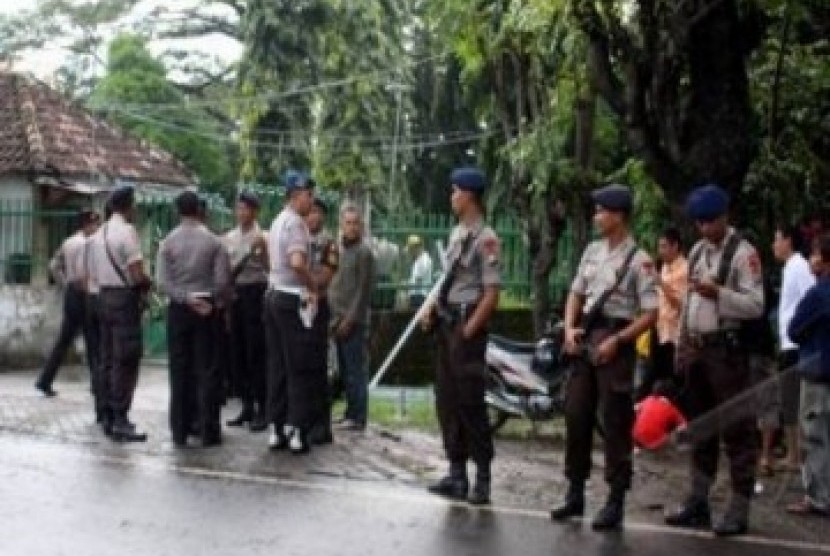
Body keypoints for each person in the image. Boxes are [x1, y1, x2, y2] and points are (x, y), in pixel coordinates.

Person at [550, 184, 658, 530]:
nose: (596, 217)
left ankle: (615, 500)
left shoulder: (639, 260)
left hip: (616, 343)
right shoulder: (592, 251)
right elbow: (575, 292)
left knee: (615, 422)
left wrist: (620, 340)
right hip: (585, 340)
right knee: (576, 414)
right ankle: (575, 492)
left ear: (619, 216)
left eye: (602, 211)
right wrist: (569, 329)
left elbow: (651, 313)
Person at [664, 185, 765, 537]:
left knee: (738, 431)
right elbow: (689, 306)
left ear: (725, 216)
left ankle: (738, 509)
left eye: (710, 222)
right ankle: (698, 501)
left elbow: (755, 305)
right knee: (700, 429)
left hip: (728, 352)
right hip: (697, 350)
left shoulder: (743, 254)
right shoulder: (696, 252)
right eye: (699, 223)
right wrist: (680, 346)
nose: (704, 229)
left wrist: (719, 294)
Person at [421, 167, 501, 506]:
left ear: (469, 195)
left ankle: (482, 475)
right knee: (448, 401)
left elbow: (491, 293)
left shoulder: (487, 238)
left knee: (471, 402)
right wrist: (432, 310)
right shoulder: (456, 234)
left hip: (467, 326)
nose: (451, 196)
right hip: (447, 324)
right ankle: (456, 473)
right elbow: (448, 281)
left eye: (455, 191)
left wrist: (470, 329)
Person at [156, 191, 230, 447]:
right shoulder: (214, 242)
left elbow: (163, 283)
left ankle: (179, 430)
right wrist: (204, 298)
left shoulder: (168, 243)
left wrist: (186, 298)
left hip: (179, 310)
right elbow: (222, 283)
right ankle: (209, 430)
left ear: (178, 212)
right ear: (199, 210)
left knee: (179, 371)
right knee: (207, 370)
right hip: (207, 310)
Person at [88, 186, 152, 442]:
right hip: (124, 300)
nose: (135, 209)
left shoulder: (98, 234)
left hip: (102, 296)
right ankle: (120, 418)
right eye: (134, 204)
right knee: (126, 359)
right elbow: (136, 273)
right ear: (127, 206)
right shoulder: (127, 232)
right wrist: (148, 283)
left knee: (107, 358)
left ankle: (105, 413)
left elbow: (92, 271)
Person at [264, 171, 318, 454]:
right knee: (298, 366)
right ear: (297, 195)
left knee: (277, 366)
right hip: (291, 297)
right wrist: (313, 285)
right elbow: (297, 262)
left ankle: (275, 427)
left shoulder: (276, 221)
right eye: (309, 195)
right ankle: (297, 429)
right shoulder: (296, 224)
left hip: (273, 295)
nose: (312, 201)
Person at [786, 233, 830, 516]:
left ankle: (819, 497)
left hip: (819, 371)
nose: (810, 259)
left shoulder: (818, 294)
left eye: (814, 254)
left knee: (816, 436)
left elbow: (794, 329)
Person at [35, 209, 101, 397]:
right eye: (94, 224)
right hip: (88, 292)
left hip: (72, 293)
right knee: (93, 340)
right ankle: (97, 385)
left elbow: (53, 266)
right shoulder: (92, 243)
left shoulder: (69, 242)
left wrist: (65, 284)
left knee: (63, 341)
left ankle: (44, 380)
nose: (96, 227)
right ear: (87, 224)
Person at [768, 224, 815, 473]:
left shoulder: (798, 266)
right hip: (790, 343)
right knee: (789, 401)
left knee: (793, 401)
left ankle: (796, 456)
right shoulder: (791, 267)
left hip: (795, 345)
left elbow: (810, 300)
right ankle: (794, 453)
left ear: (788, 241)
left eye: (777, 239)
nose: (774, 245)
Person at [224, 191, 270, 432]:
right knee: (238, 353)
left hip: (256, 292)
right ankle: (246, 405)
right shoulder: (229, 238)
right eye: (239, 208)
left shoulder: (262, 237)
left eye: (247, 209)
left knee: (256, 353)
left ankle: (263, 408)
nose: (242, 213)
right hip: (236, 295)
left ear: (255, 212)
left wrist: (260, 251)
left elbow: (268, 268)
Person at [329, 205, 375, 432]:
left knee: (356, 370)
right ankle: (350, 411)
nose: (352, 227)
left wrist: (350, 319)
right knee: (345, 370)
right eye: (348, 222)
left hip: (354, 321)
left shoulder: (364, 253)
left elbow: (363, 291)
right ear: (341, 225)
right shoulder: (338, 250)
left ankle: (358, 416)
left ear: (362, 226)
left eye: (356, 223)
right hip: (336, 318)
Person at [306, 198, 339, 444]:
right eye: (310, 212)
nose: (312, 217)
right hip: (300, 305)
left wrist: (302, 278)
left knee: (318, 366)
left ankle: (321, 424)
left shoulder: (329, 244)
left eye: (317, 212)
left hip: (319, 304)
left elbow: (325, 277)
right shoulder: (298, 238)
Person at [642, 227, 688, 399]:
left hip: (675, 333)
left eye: (664, 246)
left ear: (675, 246)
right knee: (653, 376)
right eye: (659, 247)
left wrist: (660, 282)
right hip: (660, 328)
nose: (660, 251)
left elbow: (680, 302)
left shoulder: (684, 269)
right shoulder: (664, 268)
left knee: (672, 378)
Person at [407, 235, 433, 308]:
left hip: (419, 296)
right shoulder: (420, 259)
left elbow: (418, 279)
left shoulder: (423, 260)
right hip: (418, 295)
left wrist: (408, 285)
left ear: (415, 248)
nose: (410, 253)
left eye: (411, 250)